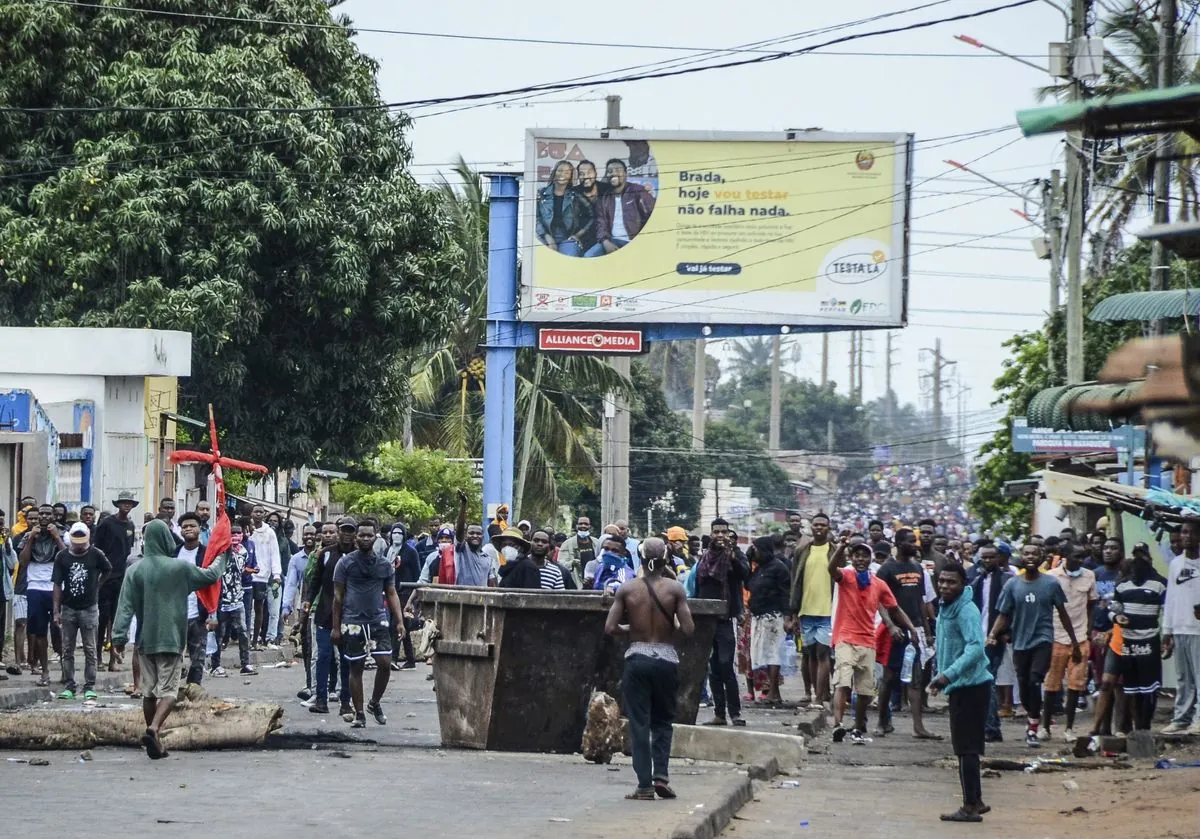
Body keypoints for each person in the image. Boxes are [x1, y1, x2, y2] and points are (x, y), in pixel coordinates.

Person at [112, 520, 225, 759]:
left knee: (148, 691)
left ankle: (155, 739)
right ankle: (154, 729)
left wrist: (118, 638)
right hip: (172, 637)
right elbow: (211, 575)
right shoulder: (179, 568)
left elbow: (124, 608)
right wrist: (222, 553)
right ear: (166, 539)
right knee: (170, 691)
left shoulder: (135, 570)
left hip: (145, 640)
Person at [604, 537, 694, 801]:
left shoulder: (627, 589)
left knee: (639, 723)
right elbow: (688, 629)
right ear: (667, 559)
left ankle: (644, 786)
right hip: (666, 660)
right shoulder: (675, 589)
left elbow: (610, 628)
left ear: (640, 559)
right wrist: (669, 629)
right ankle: (661, 777)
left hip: (637, 659)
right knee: (663, 722)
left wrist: (632, 629)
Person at [987, 544, 1081, 747]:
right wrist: (993, 634)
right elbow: (1004, 615)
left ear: (1041, 558)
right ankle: (1032, 715)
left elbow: (1062, 613)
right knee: (1024, 686)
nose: (1030, 557)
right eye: (1026, 553)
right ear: (1021, 557)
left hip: (1043, 639)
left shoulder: (1051, 583)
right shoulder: (1012, 585)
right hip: (1020, 642)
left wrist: (1074, 642)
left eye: (1035, 553)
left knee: (1035, 679)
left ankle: (1033, 728)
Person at [829, 540, 919, 745]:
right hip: (845, 637)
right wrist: (841, 548)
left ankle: (859, 727)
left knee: (865, 690)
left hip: (867, 640)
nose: (860, 559)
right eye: (857, 555)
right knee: (843, 681)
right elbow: (831, 568)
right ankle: (837, 725)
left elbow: (894, 608)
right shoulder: (846, 576)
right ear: (852, 558)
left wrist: (911, 628)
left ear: (870, 560)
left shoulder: (878, 584)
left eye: (864, 556)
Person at [930, 564, 993, 824]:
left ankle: (969, 807)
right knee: (968, 747)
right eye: (942, 581)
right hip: (961, 685)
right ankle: (976, 800)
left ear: (962, 583)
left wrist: (948, 674)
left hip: (970, 686)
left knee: (966, 748)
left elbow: (976, 647)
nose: (945, 586)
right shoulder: (946, 607)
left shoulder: (966, 610)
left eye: (951, 582)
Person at [332, 521, 406, 729]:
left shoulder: (384, 565)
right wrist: (336, 627)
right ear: (356, 537)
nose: (365, 539)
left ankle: (374, 703)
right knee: (356, 667)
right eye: (362, 535)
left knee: (384, 664)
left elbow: (391, 593)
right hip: (352, 622)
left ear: (375, 538)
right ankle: (360, 713)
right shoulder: (345, 564)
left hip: (378, 621)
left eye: (369, 536)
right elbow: (337, 597)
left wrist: (399, 621)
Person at [875, 529, 940, 740]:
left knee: (916, 679)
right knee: (889, 677)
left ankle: (918, 727)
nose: (916, 544)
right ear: (899, 543)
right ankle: (882, 721)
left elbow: (921, 601)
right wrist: (890, 626)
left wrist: (927, 631)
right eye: (911, 541)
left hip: (916, 630)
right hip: (895, 630)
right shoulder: (887, 569)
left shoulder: (917, 568)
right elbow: (879, 601)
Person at [697, 518, 750, 727]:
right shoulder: (705, 557)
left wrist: (732, 556)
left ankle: (735, 713)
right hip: (707, 620)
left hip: (726, 618)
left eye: (723, 532)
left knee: (726, 666)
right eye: (716, 531)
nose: (720, 535)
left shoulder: (736, 555)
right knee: (713, 668)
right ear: (711, 534)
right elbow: (699, 583)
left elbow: (744, 574)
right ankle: (719, 714)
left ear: (728, 534)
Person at [51, 522, 111, 700]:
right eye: (76, 543)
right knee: (67, 649)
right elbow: (57, 584)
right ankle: (69, 685)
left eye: (82, 544)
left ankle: (89, 685)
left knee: (90, 649)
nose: (79, 547)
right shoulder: (62, 557)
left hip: (89, 608)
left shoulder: (96, 554)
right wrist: (56, 610)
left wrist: (97, 586)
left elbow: (108, 570)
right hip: (68, 608)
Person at [304, 518, 357, 716]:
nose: (346, 534)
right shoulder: (325, 555)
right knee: (323, 657)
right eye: (343, 530)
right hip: (325, 613)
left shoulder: (359, 556)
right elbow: (315, 581)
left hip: (350, 615)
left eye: (350, 530)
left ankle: (345, 701)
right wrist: (308, 601)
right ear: (338, 532)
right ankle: (321, 699)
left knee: (346, 660)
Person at [1113, 543, 1168, 733]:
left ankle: (1145, 727)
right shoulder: (1122, 585)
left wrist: (1167, 637)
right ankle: (1136, 729)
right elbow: (1113, 610)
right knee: (1132, 689)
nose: (1139, 561)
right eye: (1136, 556)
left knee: (1149, 689)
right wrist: (1117, 618)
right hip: (1128, 643)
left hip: (1149, 641)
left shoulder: (1160, 584)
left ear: (1149, 559)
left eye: (1143, 556)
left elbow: (1167, 611)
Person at [1044, 547, 1097, 740]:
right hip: (1056, 636)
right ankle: (1045, 727)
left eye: (1083, 556)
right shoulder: (1051, 577)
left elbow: (1092, 605)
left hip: (1080, 637)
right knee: (1052, 684)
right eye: (1076, 556)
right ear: (1066, 557)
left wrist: (1088, 631)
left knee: (1076, 685)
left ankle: (1069, 728)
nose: (1080, 560)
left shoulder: (1089, 576)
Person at [967, 542, 1015, 742]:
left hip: (995, 638)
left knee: (988, 681)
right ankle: (988, 726)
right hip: (976, 637)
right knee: (981, 681)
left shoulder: (1007, 580)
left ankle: (991, 727)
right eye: (984, 557)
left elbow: (1012, 610)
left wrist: (1006, 632)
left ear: (999, 558)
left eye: (991, 557)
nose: (987, 561)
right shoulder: (975, 579)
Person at [788, 512, 834, 710]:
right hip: (806, 610)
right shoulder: (802, 551)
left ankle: (819, 698)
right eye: (816, 525)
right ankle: (816, 693)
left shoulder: (834, 551)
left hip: (828, 611)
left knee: (823, 653)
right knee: (811, 653)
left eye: (823, 525)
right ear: (811, 527)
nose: (819, 528)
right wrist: (793, 612)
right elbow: (795, 581)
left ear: (828, 528)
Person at [16, 504, 65, 686]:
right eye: (41, 514)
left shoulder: (61, 533)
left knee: (58, 629)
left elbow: (66, 556)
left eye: (47, 514)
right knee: (38, 631)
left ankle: (64, 667)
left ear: (53, 516)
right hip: (35, 586)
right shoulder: (29, 536)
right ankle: (44, 671)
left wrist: (56, 537)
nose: (43, 517)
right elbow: (23, 561)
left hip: (55, 586)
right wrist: (31, 539)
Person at [1162, 519, 1200, 734]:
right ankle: (1181, 718)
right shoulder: (1176, 564)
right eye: (1184, 532)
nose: (1186, 536)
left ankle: (1199, 720)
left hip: (1198, 630)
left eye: (1191, 533)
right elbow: (1171, 598)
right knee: (1183, 678)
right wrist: (1167, 631)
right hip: (1179, 628)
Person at [93, 491, 138, 672]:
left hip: (122, 576)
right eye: (123, 503)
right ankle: (97, 657)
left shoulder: (130, 525)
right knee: (102, 618)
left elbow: (128, 552)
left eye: (129, 503)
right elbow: (97, 548)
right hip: (106, 576)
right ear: (118, 505)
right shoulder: (107, 524)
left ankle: (113, 658)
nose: (126, 506)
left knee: (117, 619)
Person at [746, 535, 790, 705]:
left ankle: (774, 692)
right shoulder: (759, 568)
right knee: (765, 654)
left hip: (774, 616)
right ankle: (772, 691)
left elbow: (786, 593)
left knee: (773, 654)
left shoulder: (778, 568)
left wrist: (787, 617)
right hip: (760, 615)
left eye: (755, 549)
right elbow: (748, 584)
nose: (753, 551)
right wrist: (749, 559)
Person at [209, 525, 255, 678]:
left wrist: (251, 570)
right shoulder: (222, 551)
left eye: (238, 533)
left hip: (237, 597)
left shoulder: (244, 551)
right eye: (232, 533)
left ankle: (245, 664)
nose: (235, 536)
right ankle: (215, 665)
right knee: (219, 633)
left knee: (243, 631)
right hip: (222, 598)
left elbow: (241, 570)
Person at [588, 158, 656, 255]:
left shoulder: (638, 191)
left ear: (625, 173)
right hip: (611, 241)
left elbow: (653, 216)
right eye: (610, 171)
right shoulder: (604, 198)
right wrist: (605, 242)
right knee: (589, 256)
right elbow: (600, 223)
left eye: (618, 170)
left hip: (634, 242)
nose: (613, 173)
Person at [175, 511, 210, 691]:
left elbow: (213, 585)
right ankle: (173, 694)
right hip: (176, 614)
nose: (188, 529)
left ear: (199, 529)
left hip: (198, 614)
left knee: (198, 658)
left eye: (192, 526)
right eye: (185, 526)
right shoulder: (174, 553)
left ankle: (193, 693)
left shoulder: (206, 554)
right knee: (173, 657)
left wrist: (213, 613)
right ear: (180, 531)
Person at [535, 159, 592, 257]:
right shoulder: (541, 194)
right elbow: (535, 217)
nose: (562, 175)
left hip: (567, 238)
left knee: (569, 259)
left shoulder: (575, 196)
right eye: (560, 170)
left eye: (567, 172)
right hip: (544, 236)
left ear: (571, 176)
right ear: (554, 172)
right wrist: (547, 236)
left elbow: (592, 215)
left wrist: (578, 235)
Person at [248, 504, 282, 649]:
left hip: (263, 576)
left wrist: (276, 574)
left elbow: (275, 554)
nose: (258, 514)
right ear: (252, 513)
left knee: (260, 608)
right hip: (248, 575)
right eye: (256, 511)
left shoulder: (269, 532)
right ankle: (249, 637)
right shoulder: (247, 531)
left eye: (261, 512)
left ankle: (263, 639)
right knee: (248, 609)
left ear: (264, 514)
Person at [558, 515, 600, 588]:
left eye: (586, 524)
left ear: (589, 526)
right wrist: (571, 563)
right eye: (580, 523)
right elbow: (561, 563)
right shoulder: (568, 543)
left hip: (594, 582)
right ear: (576, 526)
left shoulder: (596, 542)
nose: (583, 526)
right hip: (575, 582)